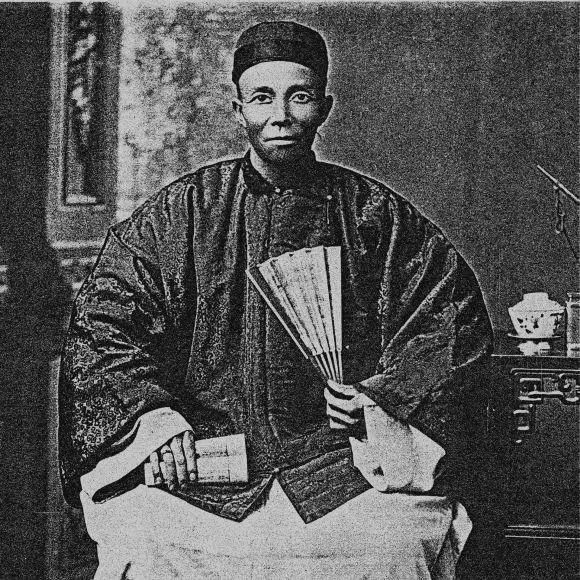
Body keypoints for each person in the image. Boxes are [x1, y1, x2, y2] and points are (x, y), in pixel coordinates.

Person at [59, 20, 492, 579]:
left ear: (325, 108)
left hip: (340, 467)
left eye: (300, 96)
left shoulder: (375, 216)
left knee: (392, 546)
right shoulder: (179, 215)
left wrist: (380, 402)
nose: (281, 114)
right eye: (262, 97)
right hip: (209, 464)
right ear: (237, 108)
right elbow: (103, 330)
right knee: (146, 540)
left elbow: (447, 321)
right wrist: (155, 423)